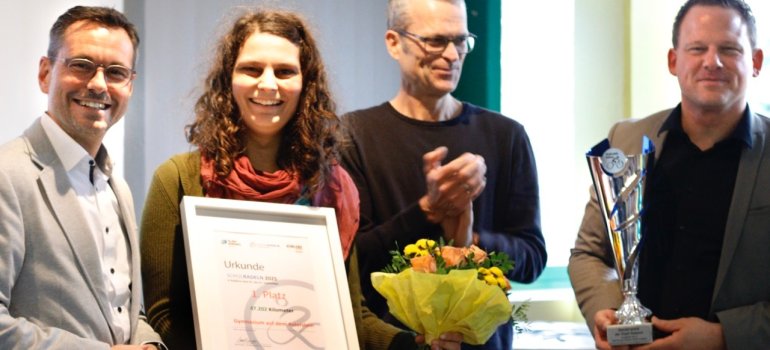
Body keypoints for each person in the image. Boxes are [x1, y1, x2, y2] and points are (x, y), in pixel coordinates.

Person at [139, 8, 462, 350]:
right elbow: (163, 316)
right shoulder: (177, 180)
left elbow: (352, 319)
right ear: (227, 79)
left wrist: (416, 346)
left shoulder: (332, 188)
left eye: (285, 71)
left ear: (305, 84)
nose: (268, 84)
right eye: (251, 69)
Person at [339, 0, 547, 348]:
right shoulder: (353, 136)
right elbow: (353, 264)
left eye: (461, 40)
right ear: (394, 42)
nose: (452, 54)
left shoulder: (506, 136)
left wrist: (469, 242)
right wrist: (427, 212)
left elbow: (532, 258)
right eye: (435, 41)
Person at [569, 0, 767, 349]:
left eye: (729, 49)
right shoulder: (626, 140)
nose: (712, 62)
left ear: (755, 62)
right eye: (697, 48)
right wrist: (607, 310)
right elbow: (589, 253)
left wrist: (723, 337)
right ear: (674, 61)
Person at [0, 6, 165, 350]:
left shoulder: (118, 188)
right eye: (81, 65)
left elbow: (123, 308)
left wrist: (149, 345)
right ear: (46, 73)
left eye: (116, 72)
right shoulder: (7, 176)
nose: (98, 84)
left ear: (130, 86)